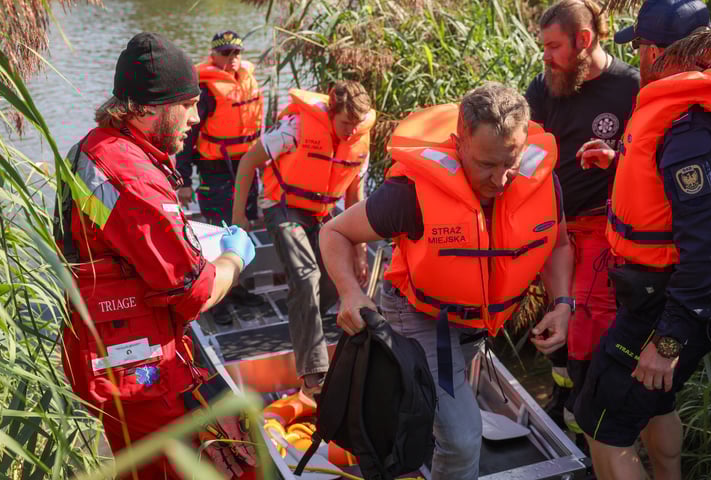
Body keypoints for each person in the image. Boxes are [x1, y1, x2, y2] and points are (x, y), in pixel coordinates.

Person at [319, 82, 575, 480]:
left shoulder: (540, 182)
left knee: (444, 416)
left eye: (511, 162)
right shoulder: (409, 194)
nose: (502, 180)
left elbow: (558, 244)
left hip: (476, 324)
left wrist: (562, 304)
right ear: (459, 143)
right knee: (462, 437)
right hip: (420, 315)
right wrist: (351, 293)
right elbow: (334, 232)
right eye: (487, 165)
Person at [55, 32, 257, 479]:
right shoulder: (130, 174)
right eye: (186, 104)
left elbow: (120, 248)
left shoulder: (93, 148)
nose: (196, 116)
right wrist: (234, 258)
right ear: (148, 109)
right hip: (141, 371)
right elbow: (196, 292)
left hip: (116, 352)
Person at [573, 1, 711, 478]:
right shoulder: (691, 121)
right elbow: (681, 201)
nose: (639, 58)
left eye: (641, 47)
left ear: (655, 52)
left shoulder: (690, 130)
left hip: (669, 303)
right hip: (667, 295)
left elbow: (708, 253)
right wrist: (620, 164)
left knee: (603, 423)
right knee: (654, 402)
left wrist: (668, 341)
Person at [524, 0, 640, 432]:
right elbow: (526, 147)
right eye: (543, 46)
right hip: (550, 227)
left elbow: (652, 161)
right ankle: (563, 392)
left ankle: (585, 431)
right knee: (555, 319)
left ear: (584, 40)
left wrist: (617, 159)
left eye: (554, 46)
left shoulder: (628, 87)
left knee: (585, 325)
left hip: (598, 229)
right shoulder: (544, 87)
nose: (546, 56)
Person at [231, 81, 376, 401]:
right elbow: (247, 163)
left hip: (322, 212)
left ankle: (302, 309)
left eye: (356, 126)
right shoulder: (296, 126)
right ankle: (314, 376)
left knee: (332, 279)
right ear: (330, 114)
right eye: (345, 125)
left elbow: (355, 197)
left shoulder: (360, 141)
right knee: (305, 275)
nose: (351, 133)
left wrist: (360, 250)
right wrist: (239, 218)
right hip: (281, 206)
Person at [176, 30, 266, 325]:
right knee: (219, 230)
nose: (232, 59)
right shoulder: (208, 91)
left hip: (246, 165)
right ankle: (215, 298)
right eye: (226, 53)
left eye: (236, 53)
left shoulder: (246, 81)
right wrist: (184, 180)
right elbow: (188, 139)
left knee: (242, 225)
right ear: (213, 55)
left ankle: (236, 288)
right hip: (215, 169)